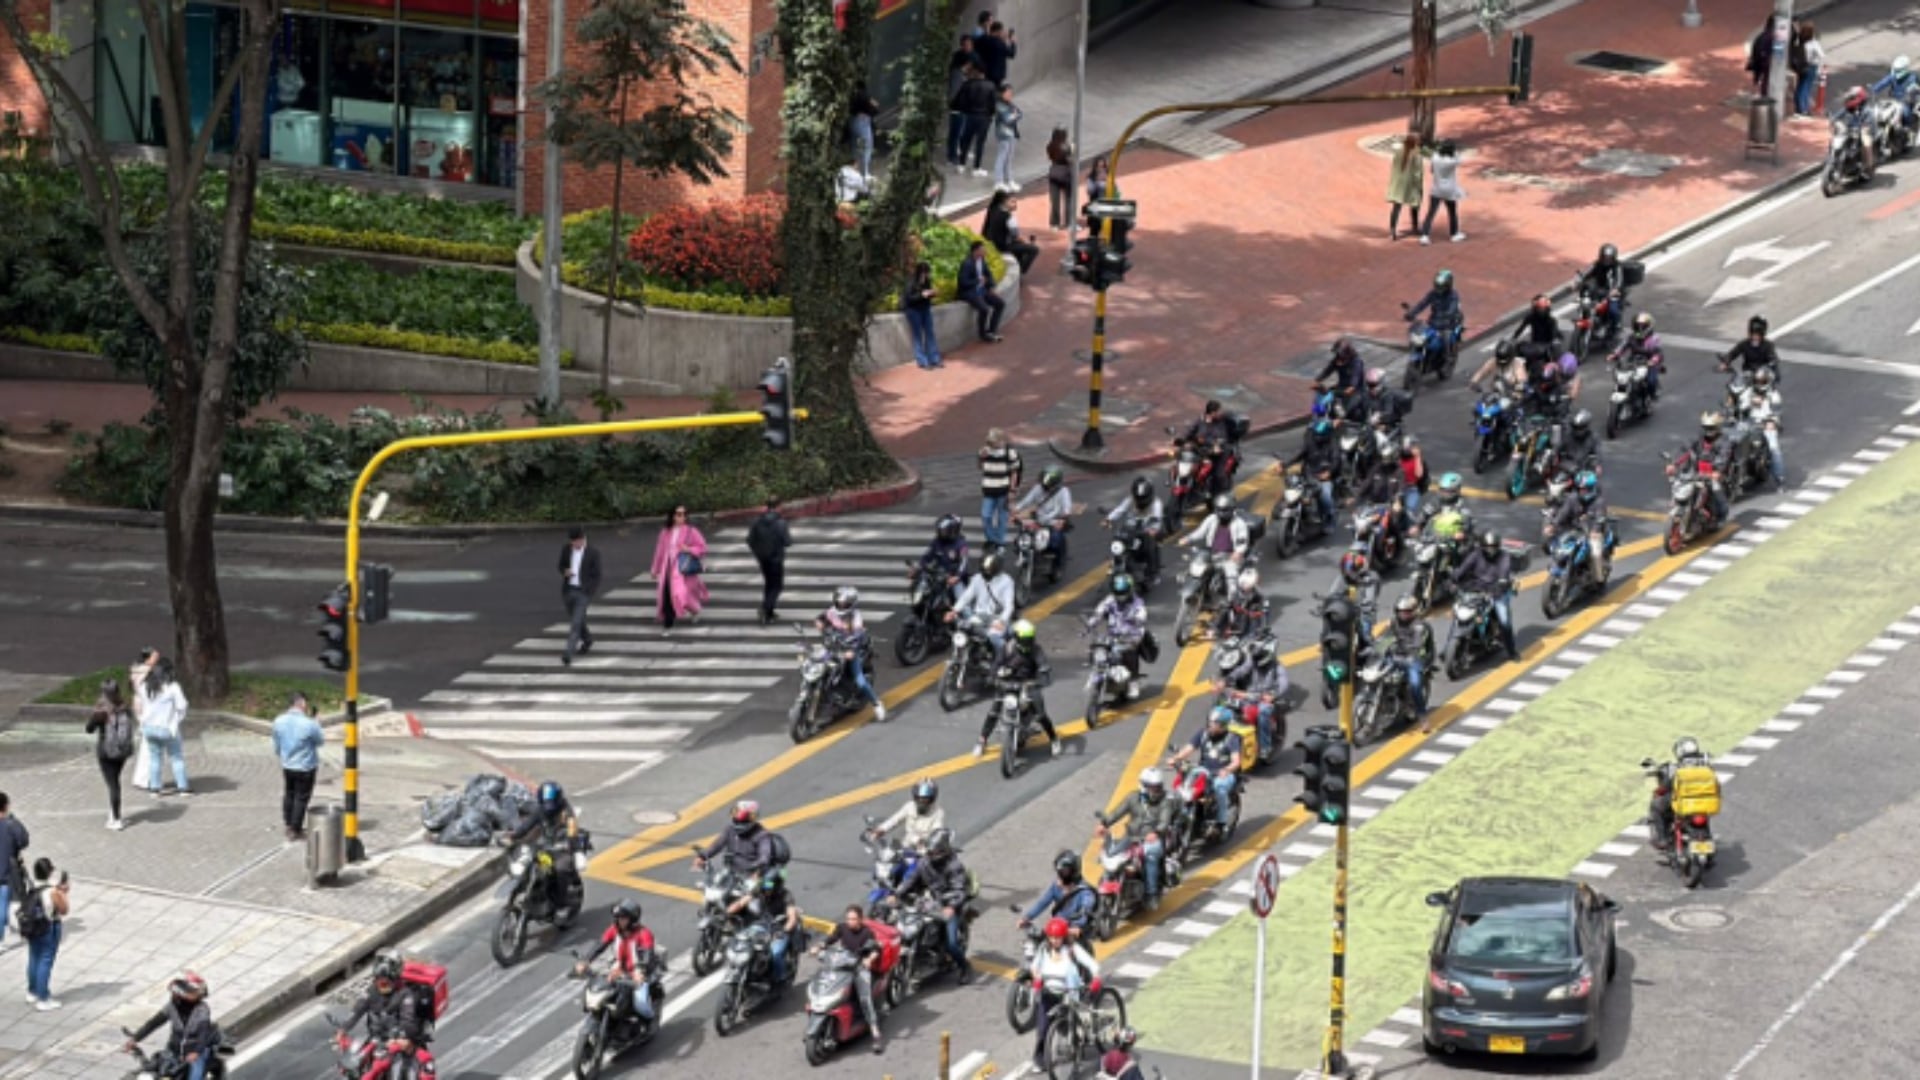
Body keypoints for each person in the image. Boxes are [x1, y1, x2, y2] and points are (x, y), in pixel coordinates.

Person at [895, 827, 975, 983]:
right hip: (931, 902)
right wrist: (897, 894)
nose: (931, 855)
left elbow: (959, 890)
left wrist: (951, 907)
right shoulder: (924, 862)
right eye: (930, 852)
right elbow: (911, 879)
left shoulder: (955, 866)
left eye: (935, 852)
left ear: (944, 851)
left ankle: (965, 967)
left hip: (950, 906)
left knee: (952, 944)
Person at [1094, 768, 1181, 909]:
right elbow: (1116, 813)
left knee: (1151, 854)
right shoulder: (1132, 798)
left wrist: (1156, 833)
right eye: (1153, 787)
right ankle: (1107, 882)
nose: (1157, 790)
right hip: (1131, 837)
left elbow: (1164, 821)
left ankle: (1151, 893)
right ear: (1144, 786)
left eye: (1158, 786)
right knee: (1112, 855)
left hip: (1153, 839)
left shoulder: (1165, 801)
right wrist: (1103, 824)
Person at [337, 951, 432, 1080]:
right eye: (379, 980)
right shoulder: (371, 992)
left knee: (407, 1071)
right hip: (376, 1041)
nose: (383, 984)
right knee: (353, 1066)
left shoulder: (405, 995)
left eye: (387, 981)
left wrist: (404, 1038)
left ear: (395, 978)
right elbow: (357, 1010)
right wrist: (343, 1029)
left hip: (398, 1044)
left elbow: (408, 1020)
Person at [572, 899, 661, 1032]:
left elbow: (647, 955)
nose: (619, 921)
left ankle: (648, 1025)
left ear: (632, 919)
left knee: (641, 1004)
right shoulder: (614, 930)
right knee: (601, 991)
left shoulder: (644, 934)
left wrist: (640, 971)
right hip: (619, 969)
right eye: (618, 918)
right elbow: (600, 945)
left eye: (623, 918)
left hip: (638, 973)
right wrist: (586, 961)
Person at [812, 905, 888, 1053]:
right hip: (843, 964)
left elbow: (875, 950)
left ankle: (876, 1033)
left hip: (859, 968)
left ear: (860, 919)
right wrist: (819, 947)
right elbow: (831, 939)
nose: (850, 922)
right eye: (848, 919)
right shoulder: (842, 928)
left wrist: (869, 960)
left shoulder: (867, 933)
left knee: (865, 999)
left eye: (853, 919)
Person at [978, 619, 1059, 757]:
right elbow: (996, 664)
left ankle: (1054, 739)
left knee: (1041, 714)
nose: (1028, 642)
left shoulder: (1036, 650)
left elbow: (1043, 665)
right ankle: (982, 740)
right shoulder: (1007, 648)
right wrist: (992, 677)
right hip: (1008, 683)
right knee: (994, 711)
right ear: (1017, 637)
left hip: (1029, 684)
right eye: (1025, 639)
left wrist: (1043, 676)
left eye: (1030, 639)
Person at [1028, 916, 1100, 1071]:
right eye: (1051, 937)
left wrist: (1095, 978)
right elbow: (1034, 967)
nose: (1054, 940)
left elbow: (1092, 964)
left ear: (1064, 937)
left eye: (1058, 937)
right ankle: (1040, 1060)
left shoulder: (1073, 949)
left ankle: (1077, 1046)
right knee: (1042, 1030)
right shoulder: (1043, 949)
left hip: (1069, 993)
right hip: (1048, 993)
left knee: (1072, 1025)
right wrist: (1037, 978)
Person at [127, 973, 217, 1080]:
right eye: (194, 992)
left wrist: (196, 1052)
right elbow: (153, 1023)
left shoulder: (202, 1010)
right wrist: (135, 1038)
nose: (198, 995)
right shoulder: (171, 1007)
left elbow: (203, 1033)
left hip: (194, 1053)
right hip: (173, 1052)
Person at [1166, 707, 1243, 834]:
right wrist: (1176, 758)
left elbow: (1236, 761)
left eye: (1215, 724)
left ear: (1224, 726)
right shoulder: (1203, 733)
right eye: (1210, 722)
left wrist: (1226, 770)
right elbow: (1189, 748)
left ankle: (1221, 822)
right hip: (1204, 771)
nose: (1211, 726)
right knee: (1184, 784)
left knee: (1219, 788)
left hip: (1223, 773)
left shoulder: (1232, 738)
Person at [816, 586, 886, 721]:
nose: (841, 606)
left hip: (852, 649)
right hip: (833, 647)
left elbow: (859, 633)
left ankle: (877, 704)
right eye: (839, 603)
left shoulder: (855, 616)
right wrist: (819, 624)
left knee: (860, 681)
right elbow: (821, 619)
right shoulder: (831, 612)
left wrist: (850, 650)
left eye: (845, 604)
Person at [512, 781, 585, 907]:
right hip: (545, 847)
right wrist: (513, 835)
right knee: (529, 863)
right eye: (546, 804)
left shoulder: (566, 811)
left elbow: (572, 831)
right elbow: (528, 824)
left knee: (560, 869)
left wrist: (573, 848)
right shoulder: (540, 809)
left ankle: (562, 902)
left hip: (562, 848)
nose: (548, 809)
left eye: (551, 804)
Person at [1214, 634, 1286, 760]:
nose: (1257, 665)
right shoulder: (1252, 661)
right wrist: (1226, 680)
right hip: (1249, 696)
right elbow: (1241, 671)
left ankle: (1265, 747)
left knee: (1263, 712)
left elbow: (1284, 683)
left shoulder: (1277, 666)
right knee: (1224, 708)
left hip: (1264, 699)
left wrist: (1273, 695)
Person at [1451, 530, 1518, 662]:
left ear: (1498, 546)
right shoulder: (1476, 555)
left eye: (1493, 547)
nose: (1490, 550)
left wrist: (1503, 581)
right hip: (1476, 589)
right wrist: (1454, 578)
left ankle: (1511, 651)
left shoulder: (1504, 556)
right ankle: (1448, 647)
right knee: (1458, 614)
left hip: (1497, 591)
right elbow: (1464, 567)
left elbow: (1505, 570)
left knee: (1504, 621)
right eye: (1487, 547)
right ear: (1482, 546)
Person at [731, 869, 801, 984]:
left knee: (775, 953)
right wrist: (728, 911)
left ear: (777, 885)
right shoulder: (760, 889)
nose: (766, 889)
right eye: (765, 885)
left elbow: (792, 918)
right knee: (744, 943)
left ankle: (780, 977)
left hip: (779, 928)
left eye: (770, 886)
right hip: (761, 925)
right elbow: (742, 902)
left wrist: (783, 930)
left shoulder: (786, 895)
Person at [1085, 574, 1150, 699]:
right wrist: (1093, 621)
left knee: (1129, 651)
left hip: (1132, 635)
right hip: (1113, 634)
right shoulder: (1110, 600)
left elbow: (1142, 615)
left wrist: (1137, 619)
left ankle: (1133, 681)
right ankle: (1096, 671)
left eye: (1123, 592)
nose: (1120, 595)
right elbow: (1100, 609)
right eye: (1118, 592)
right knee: (1098, 647)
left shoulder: (1137, 603)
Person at [272, 692, 324, 843]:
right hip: (305, 766)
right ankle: (295, 829)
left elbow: (276, 744)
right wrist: (317, 724)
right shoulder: (309, 724)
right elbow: (320, 741)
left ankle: (288, 823)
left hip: (287, 764)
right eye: (305, 703)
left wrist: (282, 755)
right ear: (301, 703)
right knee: (301, 797)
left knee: (289, 793)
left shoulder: (279, 721)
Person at [1546, 470, 1615, 583]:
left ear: (1592, 488)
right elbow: (1563, 513)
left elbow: (1600, 518)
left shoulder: (1599, 502)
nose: (1583, 492)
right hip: (1576, 531)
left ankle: (1599, 578)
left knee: (1595, 553)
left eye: (1586, 489)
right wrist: (1553, 525)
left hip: (1593, 534)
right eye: (1580, 489)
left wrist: (1595, 530)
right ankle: (1558, 566)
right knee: (1557, 546)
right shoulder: (1572, 499)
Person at [1648, 737, 1714, 853]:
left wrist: (1662, 788)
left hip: (1682, 801)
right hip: (1703, 800)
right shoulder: (1705, 762)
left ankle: (1662, 839)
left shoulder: (1676, 767)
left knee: (1656, 807)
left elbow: (1668, 784)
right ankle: (1706, 844)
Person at [86, 678, 135, 831]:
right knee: (115, 780)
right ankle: (113, 813)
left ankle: (116, 818)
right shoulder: (125, 707)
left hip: (105, 751)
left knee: (113, 784)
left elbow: (89, 729)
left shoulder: (101, 711)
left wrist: (96, 717)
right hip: (122, 751)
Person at [650, 504, 707, 633]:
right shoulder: (665, 532)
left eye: (684, 514)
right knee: (667, 594)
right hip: (667, 568)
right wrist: (655, 569)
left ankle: (694, 610)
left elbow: (703, 547)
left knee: (681, 594)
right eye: (678, 514)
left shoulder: (691, 531)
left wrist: (689, 549)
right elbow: (659, 551)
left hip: (682, 568)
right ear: (672, 516)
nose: (682, 517)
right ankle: (668, 623)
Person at [140, 658, 192, 797]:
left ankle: (154, 789)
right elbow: (182, 705)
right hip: (167, 729)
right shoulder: (173, 687)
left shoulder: (145, 686)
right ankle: (183, 788)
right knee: (176, 757)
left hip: (149, 728)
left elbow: (142, 706)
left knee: (155, 758)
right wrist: (177, 718)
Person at [22, 858, 68, 1010]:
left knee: (34, 958)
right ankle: (43, 998)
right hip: (48, 927)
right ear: (49, 872)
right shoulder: (52, 891)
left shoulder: (33, 886)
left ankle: (32, 991)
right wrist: (63, 893)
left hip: (33, 926)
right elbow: (64, 910)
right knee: (45, 961)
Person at [1020, 850, 1098, 938]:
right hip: (1057, 928)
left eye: (1064, 872)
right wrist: (1027, 918)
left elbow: (1086, 908)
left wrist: (1077, 926)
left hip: (1074, 932)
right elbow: (1042, 903)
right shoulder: (1056, 887)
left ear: (1074, 870)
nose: (1060, 875)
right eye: (1060, 871)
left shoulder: (1084, 891)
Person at [1384, 594, 1436, 727]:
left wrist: (1408, 655)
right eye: (1401, 612)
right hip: (1398, 656)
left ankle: (1422, 715)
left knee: (1415, 684)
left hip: (1416, 658)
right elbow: (1385, 639)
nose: (1403, 615)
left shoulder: (1420, 626)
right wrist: (1375, 649)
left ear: (1413, 612)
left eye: (1406, 612)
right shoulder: (1394, 622)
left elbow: (1417, 645)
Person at [1014, 465, 1073, 580]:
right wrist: (1015, 510)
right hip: (1038, 521)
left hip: (1053, 523)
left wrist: (1063, 519)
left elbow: (1067, 509)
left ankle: (1057, 566)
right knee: (1021, 539)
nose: (1044, 486)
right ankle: (1026, 557)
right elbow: (1026, 501)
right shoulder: (1038, 488)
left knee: (1056, 541)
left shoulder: (1063, 492)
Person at [951, 552, 1018, 654]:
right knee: (962, 630)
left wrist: (1001, 621)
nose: (987, 573)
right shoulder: (977, 578)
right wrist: (954, 610)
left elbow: (1009, 606)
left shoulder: (1007, 581)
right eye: (985, 570)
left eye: (990, 570)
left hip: (997, 618)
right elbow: (966, 597)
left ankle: (1004, 660)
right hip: (979, 616)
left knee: (995, 638)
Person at [558, 525, 602, 666]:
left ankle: (568, 653)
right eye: (573, 542)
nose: (575, 544)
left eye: (577, 542)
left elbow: (597, 575)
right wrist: (565, 571)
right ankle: (587, 640)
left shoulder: (593, 553)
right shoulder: (566, 550)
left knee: (575, 623)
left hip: (583, 592)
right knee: (578, 619)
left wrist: (588, 590)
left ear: (583, 539)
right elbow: (560, 565)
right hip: (568, 590)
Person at [1179, 493, 1253, 579]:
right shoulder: (1211, 519)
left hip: (1229, 556)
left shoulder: (1239, 524)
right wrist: (1188, 539)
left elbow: (1242, 541)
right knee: (1195, 569)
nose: (1221, 513)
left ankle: (1232, 591)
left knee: (1231, 579)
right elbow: (1200, 532)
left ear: (1232, 509)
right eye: (1219, 509)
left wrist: (1238, 552)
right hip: (1212, 553)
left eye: (1225, 510)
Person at [1107, 476, 1165, 584]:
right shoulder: (1130, 500)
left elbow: (1158, 519)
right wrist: (1108, 519)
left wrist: (1153, 530)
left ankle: (1153, 573)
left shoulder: (1156, 503)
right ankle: (1116, 563)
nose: (1139, 502)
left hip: (1148, 530)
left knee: (1150, 545)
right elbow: (1120, 510)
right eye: (1138, 498)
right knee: (1118, 540)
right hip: (1131, 528)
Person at [696, 801, 777, 878]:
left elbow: (764, 856)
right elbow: (717, 845)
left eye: (743, 817)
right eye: (736, 813)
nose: (738, 820)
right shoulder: (730, 829)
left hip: (750, 875)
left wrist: (758, 872)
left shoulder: (761, 835)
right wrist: (702, 856)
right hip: (731, 874)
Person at [1737, 367, 1787, 488]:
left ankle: (1780, 478)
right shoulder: (1748, 391)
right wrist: (1746, 405)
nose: (1759, 384)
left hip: (1766, 424)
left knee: (1774, 449)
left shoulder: (1774, 395)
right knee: (1735, 442)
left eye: (1762, 381)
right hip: (1749, 423)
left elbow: (1777, 412)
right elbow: (1740, 406)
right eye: (1758, 381)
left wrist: (1772, 422)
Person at [746, 497, 792, 626]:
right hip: (776, 559)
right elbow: (788, 542)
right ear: (778, 507)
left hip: (763, 559)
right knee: (777, 586)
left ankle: (770, 612)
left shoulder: (757, 521)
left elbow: (750, 540)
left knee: (768, 584)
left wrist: (758, 553)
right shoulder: (781, 523)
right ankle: (766, 609)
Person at [1286, 418, 1341, 526]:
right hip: (1308, 474)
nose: (1318, 437)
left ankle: (1329, 518)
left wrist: (1329, 473)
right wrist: (1285, 464)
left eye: (1321, 435)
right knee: (1291, 488)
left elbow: (1336, 460)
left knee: (1326, 498)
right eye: (1316, 434)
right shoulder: (1310, 442)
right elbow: (1299, 454)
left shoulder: (1333, 444)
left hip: (1323, 477)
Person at [1180, 399, 1237, 497]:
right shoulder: (1200, 420)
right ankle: (1195, 486)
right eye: (1219, 411)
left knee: (1219, 473)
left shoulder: (1220, 422)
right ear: (1212, 413)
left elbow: (1221, 437)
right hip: (1202, 450)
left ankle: (1226, 494)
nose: (1220, 413)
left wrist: (1215, 445)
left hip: (1219, 451)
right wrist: (1182, 440)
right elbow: (1190, 431)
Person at [872, 778, 946, 853]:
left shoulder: (938, 813)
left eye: (925, 799)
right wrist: (881, 829)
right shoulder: (909, 806)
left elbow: (936, 833)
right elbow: (894, 820)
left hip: (923, 851)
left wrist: (922, 843)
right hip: (905, 847)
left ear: (932, 799)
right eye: (919, 798)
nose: (921, 801)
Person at [979, 428, 1023, 550]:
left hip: (1003, 490)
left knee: (1002, 518)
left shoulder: (1010, 452)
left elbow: (1014, 472)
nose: (992, 445)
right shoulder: (985, 451)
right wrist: (981, 458)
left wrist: (1012, 490)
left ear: (1001, 441)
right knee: (985, 515)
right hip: (988, 490)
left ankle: (999, 542)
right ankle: (993, 538)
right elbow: (981, 467)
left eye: (994, 442)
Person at [951, 64, 997, 176]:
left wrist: (960, 110)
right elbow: (992, 104)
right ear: (984, 74)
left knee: (966, 141)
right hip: (984, 118)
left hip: (970, 116)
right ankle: (976, 168)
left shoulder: (967, 85)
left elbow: (959, 101)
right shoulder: (990, 86)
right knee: (980, 143)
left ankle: (961, 164)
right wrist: (991, 115)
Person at [957, 240, 1006, 343]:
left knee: (1000, 304)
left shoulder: (982, 260)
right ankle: (983, 334)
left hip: (981, 290)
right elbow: (963, 282)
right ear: (975, 251)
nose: (985, 252)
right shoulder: (967, 264)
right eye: (982, 250)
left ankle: (992, 331)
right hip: (969, 292)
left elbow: (988, 274)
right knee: (984, 309)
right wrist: (977, 281)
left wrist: (991, 286)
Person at [1609, 311, 1665, 400]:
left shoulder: (1654, 339)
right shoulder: (1631, 337)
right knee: (1623, 377)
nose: (1640, 328)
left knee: (1651, 381)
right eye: (1637, 326)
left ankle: (1652, 394)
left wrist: (1653, 360)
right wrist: (1615, 354)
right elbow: (1623, 346)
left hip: (1649, 362)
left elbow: (1658, 353)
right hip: (1634, 360)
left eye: (1643, 326)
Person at [1420, 138, 1466, 244]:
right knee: (1452, 212)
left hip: (1436, 189)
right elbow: (1459, 157)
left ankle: (1425, 235)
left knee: (1431, 212)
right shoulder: (1452, 161)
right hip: (1449, 190)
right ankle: (1454, 234)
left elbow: (1432, 169)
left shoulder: (1435, 157)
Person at [982, 190, 1039, 275]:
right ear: (1004, 202)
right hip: (1001, 246)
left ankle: (1018, 263)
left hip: (989, 242)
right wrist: (1027, 243)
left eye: (1016, 202)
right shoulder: (1009, 218)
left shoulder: (993, 209)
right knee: (1034, 249)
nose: (1015, 205)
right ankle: (1021, 271)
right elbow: (1015, 236)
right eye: (1012, 202)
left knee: (1018, 245)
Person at [899, 260, 943, 370]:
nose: (928, 275)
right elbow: (910, 298)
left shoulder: (927, 281)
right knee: (918, 335)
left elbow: (927, 295)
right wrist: (922, 295)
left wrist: (932, 294)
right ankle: (922, 361)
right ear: (922, 272)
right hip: (913, 310)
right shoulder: (911, 282)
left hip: (925, 308)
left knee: (930, 333)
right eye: (927, 273)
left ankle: (934, 359)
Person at [1581, 243, 1630, 340]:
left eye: (1609, 258)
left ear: (1613, 257)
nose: (1606, 260)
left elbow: (1619, 280)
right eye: (1605, 257)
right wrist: (1577, 281)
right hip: (1600, 290)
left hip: (1614, 292)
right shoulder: (1597, 264)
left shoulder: (1617, 267)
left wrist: (1615, 289)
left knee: (1613, 310)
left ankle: (1616, 326)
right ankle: (1589, 322)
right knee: (1586, 304)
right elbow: (1586, 273)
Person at [918, 514, 971, 602]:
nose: (941, 533)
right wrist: (919, 567)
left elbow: (963, 563)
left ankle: (969, 615)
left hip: (954, 578)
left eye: (944, 531)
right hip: (939, 576)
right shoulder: (936, 542)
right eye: (940, 531)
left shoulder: (961, 545)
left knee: (963, 605)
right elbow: (926, 556)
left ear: (952, 530)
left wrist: (957, 577)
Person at [1405, 269, 1464, 342]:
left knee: (1447, 339)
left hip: (1448, 323)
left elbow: (1453, 308)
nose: (1439, 288)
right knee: (1422, 336)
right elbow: (1422, 304)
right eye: (1437, 286)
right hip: (1434, 322)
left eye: (1442, 286)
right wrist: (1412, 312)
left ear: (1448, 285)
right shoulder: (1433, 293)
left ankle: (1449, 351)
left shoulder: (1453, 295)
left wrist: (1447, 315)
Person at [1333, 550, 1383, 636]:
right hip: (1346, 609)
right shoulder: (1343, 577)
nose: (1350, 575)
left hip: (1363, 612)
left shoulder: (1371, 578)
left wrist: (1364, 608)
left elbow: (1369, 599)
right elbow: (1334, 592)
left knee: (1364, 631)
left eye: (1352, 571)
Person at [1719, 315, 1781, 384]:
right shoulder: (1744, 344)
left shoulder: (1768, 345)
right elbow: (1732, 353)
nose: (1755, 337)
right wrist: (1725, 362)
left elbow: (1773, 358)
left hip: (1762, 378)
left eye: (1757, 334)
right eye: (1753, 334)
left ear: (1762, 334)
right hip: (1747, 376)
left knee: (1763, 394)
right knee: (1733, 390)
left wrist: (1770, 367)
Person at [129, 647, 158, 792]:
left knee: (147, 744)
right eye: (154, 656)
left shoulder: (136, 669)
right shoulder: (146, 672)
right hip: (146, 707)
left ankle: (144, 778)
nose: (156, 659)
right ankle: (144, 779)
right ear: (148, 658)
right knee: (148, 745)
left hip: (139, 705)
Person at [1386, 131, 1423, 241]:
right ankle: (1415, 227)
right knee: (1415, 205)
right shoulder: (1416, 154)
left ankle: (1392, 231)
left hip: (1398, 183)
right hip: (1410, 184)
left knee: (1396, 207)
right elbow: (1418, 173)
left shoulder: (1399, 151)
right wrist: (1419, 185)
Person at [1218, 566, 1270, 641]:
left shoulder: (1261, 596)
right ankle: (1217, 629)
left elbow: (1265, 613)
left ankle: (1252, 636)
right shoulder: (1236, 591)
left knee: (1254, 610)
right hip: (1236, 626)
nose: (1244, 587)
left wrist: (1263, 629)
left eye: (1247, 585)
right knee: (1224, 605)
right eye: (1243, 585)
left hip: (1251, 630)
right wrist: (1216, 626)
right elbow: (1226, 606)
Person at [0, 792, 24, 950]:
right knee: (2, 904)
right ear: (6, 806)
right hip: (4, 872)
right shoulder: (10, 824)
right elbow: (24, 840)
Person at [946, 35, 975, 166]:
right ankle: (952, 156)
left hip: (965, 104)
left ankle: (961, 150)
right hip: (957, 106)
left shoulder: (965, 75)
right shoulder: (957, 74)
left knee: (963, 129)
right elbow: (954, 92)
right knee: (956, 131)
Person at [990, 83, 1023, 191]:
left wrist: (1014, 115)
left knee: (1009, 159)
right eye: (1008, 93)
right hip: (1003, 135)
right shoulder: (999, 105)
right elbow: (1007, 119)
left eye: (1011, 93)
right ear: (1002, 93)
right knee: (1002, 158)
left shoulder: (1010, 104)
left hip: (1012, 134)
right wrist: (1015, 115)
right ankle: (998, 182)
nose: (1010, 95)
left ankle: (1009, 180)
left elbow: (1020, 113)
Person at [1871, 55, 1917, 127]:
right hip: (1893, 100)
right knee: (1880, 110)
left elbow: (1914, 89)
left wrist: (1912, 91)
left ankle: (1908, 128)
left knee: (1906, 113)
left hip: (1906, 102)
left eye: (1898, 70)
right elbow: (1883, 82)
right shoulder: (1893, 76)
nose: (1896, 72)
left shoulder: (1912, 78)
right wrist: (1875, 88)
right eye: (1895, 69)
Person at [849, 80, 878, 179]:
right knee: (864, 148)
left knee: (856, 148)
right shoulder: (863, 95)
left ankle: (856, 173)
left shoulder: (852, 95)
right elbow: (875, 107)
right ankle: (863, 174)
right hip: (862, 124)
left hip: (853, 122)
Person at [1045, 127, 1073, 229]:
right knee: (1068, 200)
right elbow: (1070, 161)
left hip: (1054, 173)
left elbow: (1050, 157)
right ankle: (1068, 223)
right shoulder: (1067, 147)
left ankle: (1054, 223)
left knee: (1055, 201)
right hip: (1066, 174)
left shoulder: (1050, 146)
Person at [975, 20, 1017, 87]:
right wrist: (1013, 42)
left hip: (985, 72)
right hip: (997, 75)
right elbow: (1011, 54)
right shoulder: (1000, 44)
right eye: (1001, 31)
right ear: (998, 31)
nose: (1002, 33)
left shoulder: (983, 40)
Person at [1796, 23, 1825, 116]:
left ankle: (1799, 106)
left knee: (1800, 86)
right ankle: (1804, 109)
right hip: (1811, 66)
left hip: (1801, 66)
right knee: (1806, 87)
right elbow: (1821, 55)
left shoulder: (1800, 41)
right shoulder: (1813, 43)